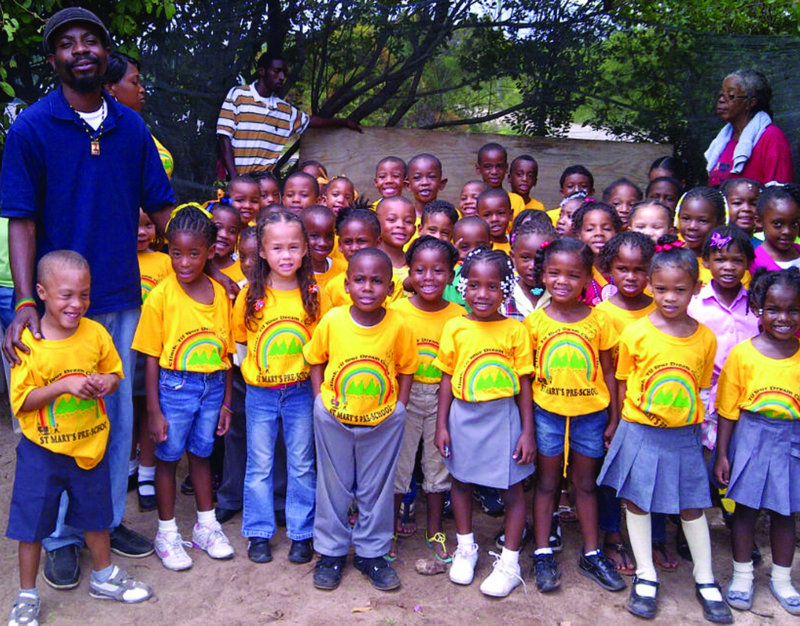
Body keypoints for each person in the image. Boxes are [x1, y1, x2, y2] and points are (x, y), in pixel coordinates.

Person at [0, 6, 175, 588]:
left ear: (106, 54)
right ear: (53, 60)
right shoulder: (31, 128)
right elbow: (21, 221)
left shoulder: (131, 127)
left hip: (121, 296)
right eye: (67, 43)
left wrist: (218, 263)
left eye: (92, 40)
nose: (81, 49)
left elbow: (163, 209)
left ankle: (100, 520)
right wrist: (27, 302)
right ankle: (60, 538)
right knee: (56, 415)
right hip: (56, 310)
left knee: (114, 415)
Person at [6, 251, 153, 626]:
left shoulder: (96, 333)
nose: (77, 304)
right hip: (43, 452)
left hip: (89, 447)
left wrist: (107, 382)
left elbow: (114, 373)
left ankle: (103, 576)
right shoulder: (29, 342)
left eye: (84, 295)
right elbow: (23, 401)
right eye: (66, 295)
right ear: (41, 292)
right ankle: (26, 596)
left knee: (97, 517)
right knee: (32, 525)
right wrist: (62, 386)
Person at [597, 235, 732, 624]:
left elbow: (702, 387)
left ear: (696, 289)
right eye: (661, 289)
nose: (669, 297)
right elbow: (622, 382)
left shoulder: (705, 338)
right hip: (639, 430)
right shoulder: (636, 333)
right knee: (637, 501)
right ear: (651, 286)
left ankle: (706, 580)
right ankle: (645, 576)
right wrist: (619, 425)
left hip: (683, 435)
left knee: (692, 506)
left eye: (680, 290)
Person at [304, 247, 417, 591]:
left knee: (376, 488)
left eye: (377, 281)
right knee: (333, 485)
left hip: (382, 420)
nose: (368, 287)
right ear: (347, 284)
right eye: (360, 280)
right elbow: (315, 358)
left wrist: (399, 407)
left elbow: (407, 367)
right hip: (334, 417)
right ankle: (332, 552)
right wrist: (319, 401)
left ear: (390, 288)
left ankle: (371, 553)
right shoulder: (333, 320)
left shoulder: (399, 324)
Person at [131, 206, 235, 571]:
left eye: (194, 253)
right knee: (168, 457)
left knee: (202, 454)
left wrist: (225, 403)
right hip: (173, 387)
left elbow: (225, 352)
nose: (184, 262)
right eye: (176, 252)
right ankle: (167, 533)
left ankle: (206, 526)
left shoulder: (220, 294)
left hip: (212, 387)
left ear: (210, 252)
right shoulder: (161, 296)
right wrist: (154, 411)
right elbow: (150, 357)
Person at [525, 237, 625, 596]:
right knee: (547, 484)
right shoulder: (534, 322)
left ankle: (591, 552)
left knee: (585, 485)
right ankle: (541, 552)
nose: (562, 281)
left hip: (591, 416)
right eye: (554, 273)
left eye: (573, 275)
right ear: (544, 275)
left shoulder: (600, 320)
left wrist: (614, 419)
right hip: (547, 414)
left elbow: (610, 372)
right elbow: (526, 375)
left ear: (587, 279)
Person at [433, 247, 535, 597]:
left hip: (504, 418)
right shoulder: (455, 327)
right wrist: (441, 424)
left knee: (512, 488)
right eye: (474, 285)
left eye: (492, 286)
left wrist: (527, 432)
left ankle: (509, 561)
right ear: (462, 287)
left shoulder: (515, 330)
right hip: (463, 415)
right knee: (460, 482)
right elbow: (447, 377)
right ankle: (466, 548)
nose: (482, 294)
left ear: (506, 289)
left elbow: (524, 383)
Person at [233, 211, 319, 565]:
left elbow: (320, 348)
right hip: (261, 394)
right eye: (277, 247)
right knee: (260, 464)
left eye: (294, 247)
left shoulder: (313, 294)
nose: (286, 255)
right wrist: (257, 374)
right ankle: (259, 532)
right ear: (263, 252)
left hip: (300, 391)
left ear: (304, 250)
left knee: (301, 463)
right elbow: (239, 346)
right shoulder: (250, 296)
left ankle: (301, 533)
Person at [714, 268, 800, 617]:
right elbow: (728, 410)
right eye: (773, 309)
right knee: (745, 512)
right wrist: (722, 454)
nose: (783, 318)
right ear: (757, 310)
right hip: (750, 436)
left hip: (791, 440)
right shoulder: (742, 355)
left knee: (785, 512)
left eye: (793, 310)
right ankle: (742, 576)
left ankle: (782, 579)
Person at [389, 237, 464, 562]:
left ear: (451, 274)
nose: (429, 277)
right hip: (403, 396)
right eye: (420, 270)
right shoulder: (396, 312)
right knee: (398, 467)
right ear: (409, 271)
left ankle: (435, 530)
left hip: (443, 399)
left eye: (438, 270)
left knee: (437, 468)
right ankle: (388, 528)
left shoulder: (459, 316)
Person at [217, 51, 360, 178]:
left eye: (284, 73)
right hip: (238, 178)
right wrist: (235, 180)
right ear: (262, 71)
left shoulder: (284, 111)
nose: (282, 77)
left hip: (264, 183)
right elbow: (224, 138)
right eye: (277, 71)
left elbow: (313, 121)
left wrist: (344, 122)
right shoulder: (238, 95)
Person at [134, 210, 172, 512]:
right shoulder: (116, 259)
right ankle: (130, 467)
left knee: (150, 409)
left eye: (148, 224)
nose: (142, 232)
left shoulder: (164, 262)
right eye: (134, 225)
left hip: (153, 349)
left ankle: (147, 473)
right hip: (123, 347)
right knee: (126, 411)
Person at [705, 69, 793, 186]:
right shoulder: (722, 141)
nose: (721, 100)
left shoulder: (771, 138)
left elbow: (779, 195)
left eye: (731, 96)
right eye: (721, 94)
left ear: (751, 102)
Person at [103, 51, 173, 178]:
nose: (142, 89)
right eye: (135, 82)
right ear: (110, 88)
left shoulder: (135, 127)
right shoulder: (103, 133)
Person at [321, 205, 382, 308]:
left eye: (361, 241)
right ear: (340, 245)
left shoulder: (391, 281)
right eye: (348, 242)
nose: (354, 248)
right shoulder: (332, 287)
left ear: (378, 243)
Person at [504, 218, 557, 321]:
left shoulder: (560, 292)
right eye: (525, 258)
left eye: (540, 258)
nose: (532, 266)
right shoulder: (503, 293)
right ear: (513, 257)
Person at [571, 202, 623, 305]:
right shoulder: (575, 271)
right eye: (590, 229)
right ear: (578, 235)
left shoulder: (624, 270)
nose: (598, 233)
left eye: (606, 229)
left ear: (617, 233)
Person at [676, 187, 727, 286]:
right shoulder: (666, 255)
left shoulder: (727, 265)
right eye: (686, 218)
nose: (692, 227)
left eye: (703, 221)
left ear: (720, 223)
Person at [749, 184, 800, 272]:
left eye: (794, 224)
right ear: (759, 221)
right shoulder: (754, 261)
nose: (787, 231)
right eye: (777, 224)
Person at [375, 197, 416, 302]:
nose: (400, 225)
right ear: (376, 224)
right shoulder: (370, 263)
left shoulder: (417, 264)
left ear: (415, 229)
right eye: (392, 220)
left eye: (408, 221)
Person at [301, 206, 347, 290]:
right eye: (314, 236)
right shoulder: (295, 275)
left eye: (329, 236)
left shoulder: (345, 270)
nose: (323, 243)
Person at [406, 154, 448, 221]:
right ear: (408, 185)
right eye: (417, 178)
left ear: (442, 183)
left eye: (432, 177)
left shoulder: (451, 216)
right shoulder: (404, 220)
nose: (425, 182)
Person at [210, 203, 245, 283]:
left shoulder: (243, 272)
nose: (224, 235)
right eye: (217, 228)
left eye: (232, 231)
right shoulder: (197, 267)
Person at [477, 188, 513, 254]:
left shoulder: (517, 246)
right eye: (487, 215)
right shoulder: (478, 249)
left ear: (511, 214)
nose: (494, 219)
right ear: (478, 218)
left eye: (501, 213)